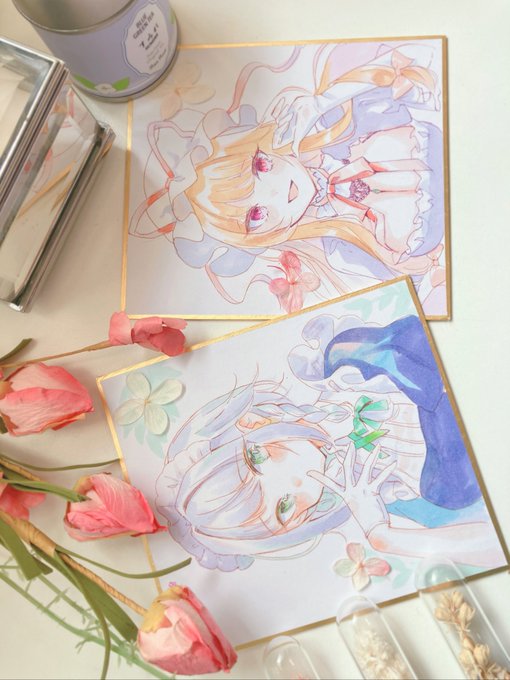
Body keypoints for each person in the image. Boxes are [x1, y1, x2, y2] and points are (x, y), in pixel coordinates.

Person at [156, 314, 503, 572]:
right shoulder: (397, 496)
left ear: (252, 423)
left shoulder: (345, 362)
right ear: (295, 527)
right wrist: (383, 536)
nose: (295, 480)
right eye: (284, 507)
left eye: (257, 458)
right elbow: (497, 543)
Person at [131, 40, 447, 314]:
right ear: (262, 237)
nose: (278, 191)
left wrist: (322, 102)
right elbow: (416, 295)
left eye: (260, 167)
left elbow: (421, 65)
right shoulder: (344, 250)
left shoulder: (340, 122)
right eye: (256, 214)